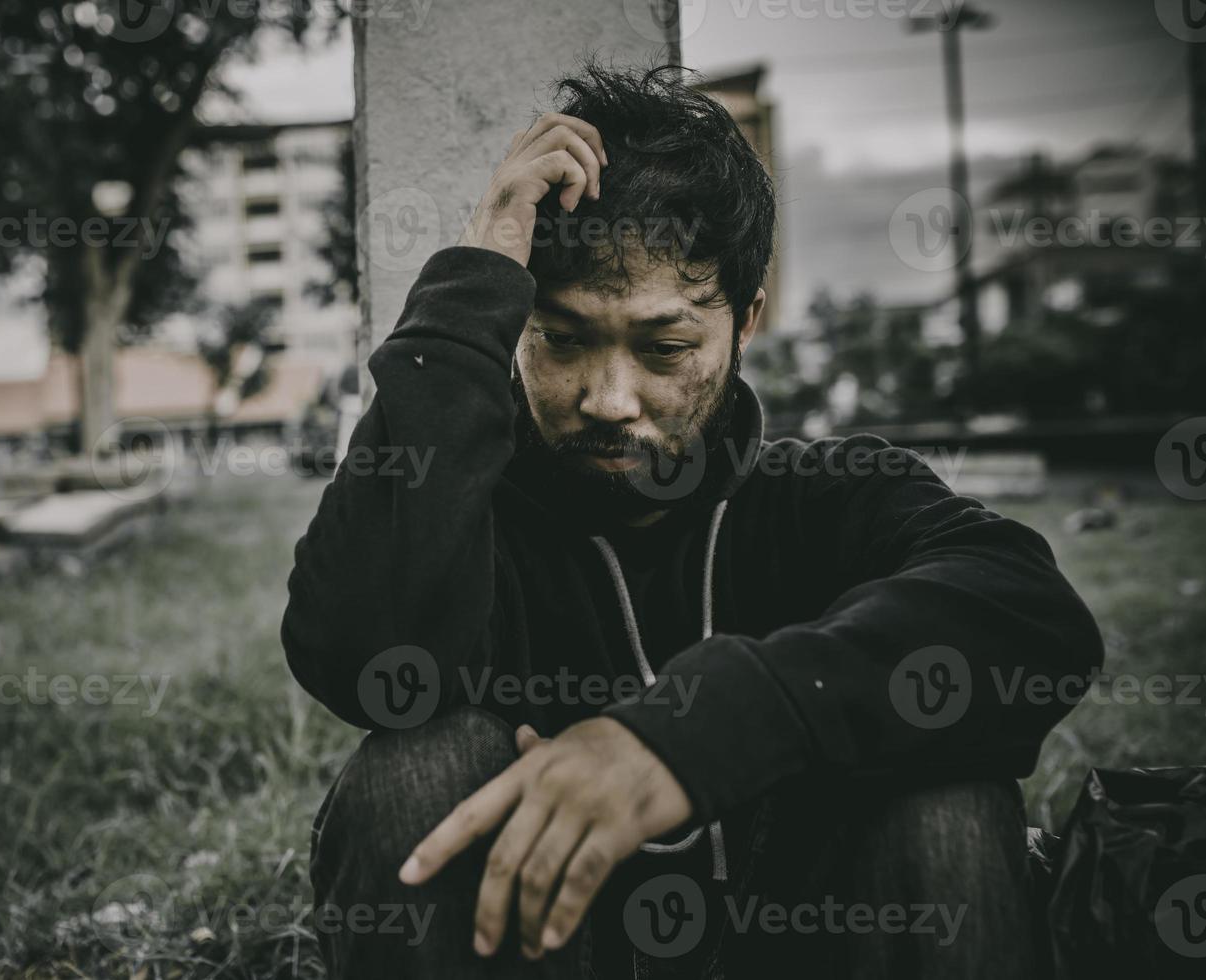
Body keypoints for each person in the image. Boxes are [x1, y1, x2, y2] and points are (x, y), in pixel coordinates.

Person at [280, 60, 1102, 979]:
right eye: (561, 339)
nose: (607, 398)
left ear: (745, 320)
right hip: (555, 950)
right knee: (416, 773)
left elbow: (1030, 614)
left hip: (808, 943)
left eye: (664, 346)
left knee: (942, 792)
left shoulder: (830, 497)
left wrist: (689, 736)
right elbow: (358, 656)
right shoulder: (470, 522)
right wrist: (470, 287)